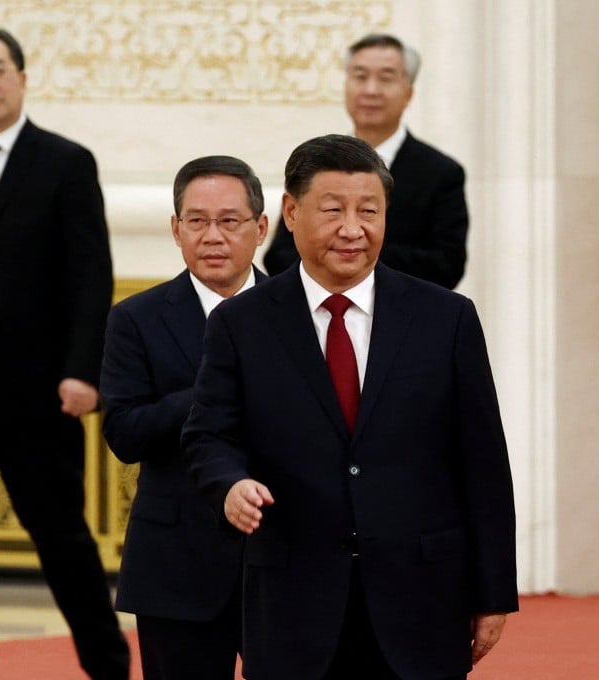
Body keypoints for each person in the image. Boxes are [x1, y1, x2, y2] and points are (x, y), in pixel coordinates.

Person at [183, 134, 518, 680]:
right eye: (333, 210)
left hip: (421, 599)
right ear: (290, 212)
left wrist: (494, 590)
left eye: (369, 211)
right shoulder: (242, 323)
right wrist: (229, 485)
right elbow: (209, 435)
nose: (353, 229)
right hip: (293, 599)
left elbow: (482, 461)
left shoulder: (445, 318)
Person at [0, 25, 128, 680]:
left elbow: (92, 277)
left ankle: (111, 667)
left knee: (64, 546)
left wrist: (82, 372)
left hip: (42, 395)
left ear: (22, 77)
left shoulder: (66, 162)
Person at [100, 156, 268, 680]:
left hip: (284, 557)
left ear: (261, 227)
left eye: (229, 221)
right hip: (176, 562)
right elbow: (124, 432)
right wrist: (210, 391)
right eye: (196, 221)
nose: (212, 236)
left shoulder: (297, 312)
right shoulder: (136, 318)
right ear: (176, 230)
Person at [264, 33, 469, 290]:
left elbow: (446, 264)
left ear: (408, 93)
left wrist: (347, 256)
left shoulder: (441, 172)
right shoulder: (315, 164)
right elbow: (278, 256)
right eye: (360, 76)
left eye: (386, 78)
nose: (371, 89)